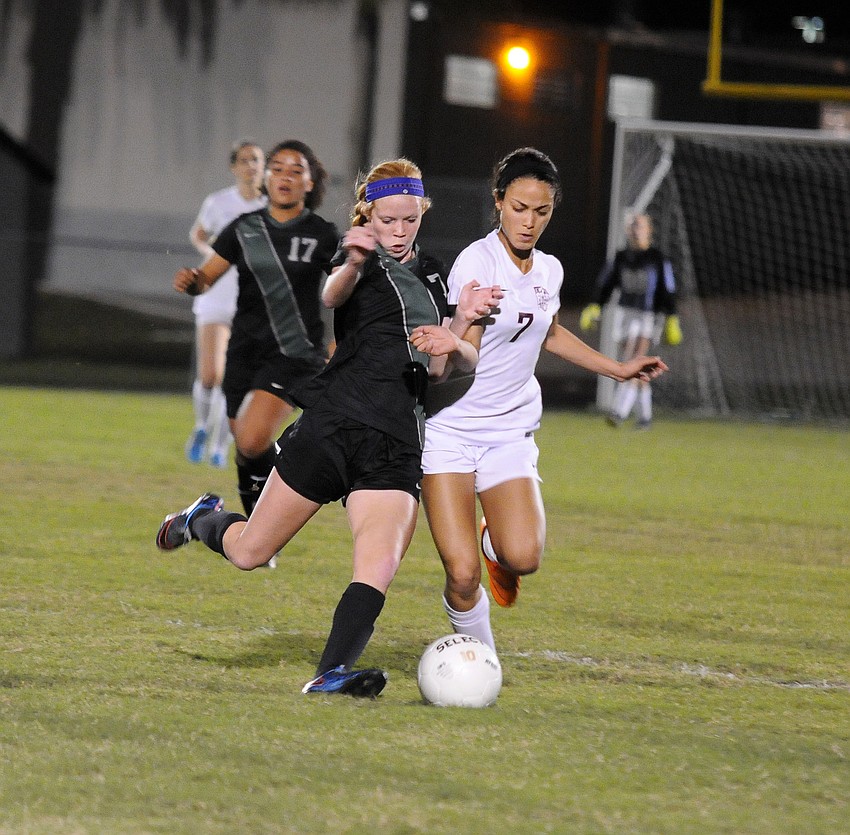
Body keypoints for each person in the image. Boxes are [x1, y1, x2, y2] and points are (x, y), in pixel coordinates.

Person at [156, 159, 501, 697]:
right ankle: (202, 519)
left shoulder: (435, 276)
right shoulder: (356, 257)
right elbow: (331, 295)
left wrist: (460, 329)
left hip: (396, 440)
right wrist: (356, 259)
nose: (399, 230)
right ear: (369, 214)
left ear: (420, 213)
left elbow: (443, 372)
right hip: (334, 424)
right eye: (388, 219)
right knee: (249, 552)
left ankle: (332, 671)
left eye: (409, 219)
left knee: (380, 561)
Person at [421, 147, 668, 654]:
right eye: (518, 208)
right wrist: (457, 329)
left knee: (524, 557)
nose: (529, 222)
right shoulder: (478, 260)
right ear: (498, 203)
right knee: (462, 575)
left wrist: (618, 369)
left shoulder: (548, 271)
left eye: (541, 211)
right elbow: (453, 345)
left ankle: (498, 542)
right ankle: (481, 660)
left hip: (509, 430)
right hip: (451, 430)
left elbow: (549, 333)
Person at [173, 140, 339, 539]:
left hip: (295, 355)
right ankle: (260, 539)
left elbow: (345, 293)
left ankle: (263, 530)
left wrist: (340, 343)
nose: (285, 176)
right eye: (278, 168)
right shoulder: (244, 228)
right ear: (265, 178)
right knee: (247, 449)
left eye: (295, 170)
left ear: (310, 181)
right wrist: (192, 283)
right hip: (245, 351)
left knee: (251, 438)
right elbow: (207, 276)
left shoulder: (324, 235)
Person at [185, 139, 267, 468]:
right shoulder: (218, 203)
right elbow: (198, 234)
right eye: (244, 160)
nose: (251, 166)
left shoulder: (271, 207)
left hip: (252, 300)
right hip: (217, 294)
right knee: (210, 375)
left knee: (236, 379)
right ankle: (202, 427)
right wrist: (214, 257)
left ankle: (221, 447)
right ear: (234, 167)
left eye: (257, 160)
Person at [580, 211, 681, 429]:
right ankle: (645, 417)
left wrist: (672, 317)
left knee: (634, 357)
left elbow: (668, 289)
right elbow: (607, 284)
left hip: (648, 315)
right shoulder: (621, 257)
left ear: (649, 230)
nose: (636, 230)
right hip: (624, 313)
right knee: (635, 363)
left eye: (640, 226)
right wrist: (595, 306)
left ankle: (619, 411)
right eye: (633, 226)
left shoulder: (658, 258)